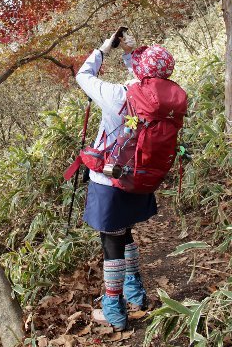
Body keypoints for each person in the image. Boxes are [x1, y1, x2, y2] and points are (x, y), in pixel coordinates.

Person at [75, 31, 176, 330]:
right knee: (125, 232)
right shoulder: (166, 99)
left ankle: (114, 310)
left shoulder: (118, 95)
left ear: (139, 70)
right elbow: (145, 74)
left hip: (110, 181)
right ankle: (136, 294)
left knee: (111, 242)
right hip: (141, 176)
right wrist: (131, 52)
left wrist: (105, 48)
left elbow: (83, 75)